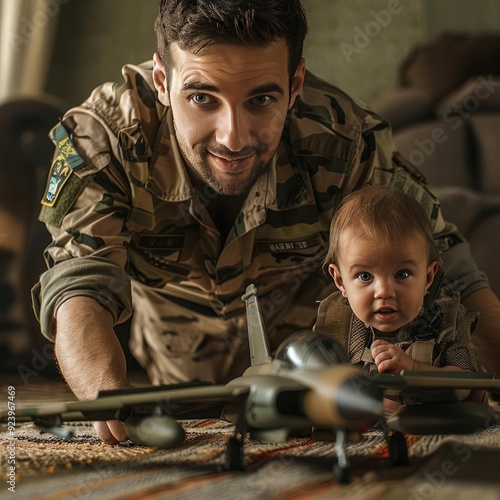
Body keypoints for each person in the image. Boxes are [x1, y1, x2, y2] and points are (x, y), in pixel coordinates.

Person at [32, 0, 500, 444]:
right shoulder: (105, 137)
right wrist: (105, 396)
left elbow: (447, 265)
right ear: (161, 80)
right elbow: (80, 284)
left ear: (295, 85)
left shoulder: (346, 141)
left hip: (312, 363)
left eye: (260, 100)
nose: (232, 137)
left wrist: (481, 374)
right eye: (201, 97)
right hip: (176, 362)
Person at [314, 186, 480, 410]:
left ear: (428, 277)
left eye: (402, 274)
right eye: (365, 276)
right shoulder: (334, 323)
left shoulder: (447, 319)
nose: (383, 291)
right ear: (341, 281)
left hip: (428, 422)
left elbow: (464, 386)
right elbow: (312, 383)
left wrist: (411, 368)